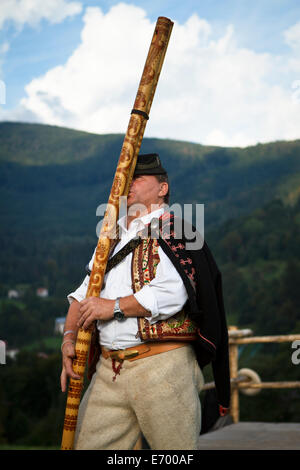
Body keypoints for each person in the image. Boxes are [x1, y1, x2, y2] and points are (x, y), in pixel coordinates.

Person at [60, 153, 230, 450]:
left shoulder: (179, 231)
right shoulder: (110, 237)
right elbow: (84, 293)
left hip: (163, 368)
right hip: (109, 369)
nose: (129, 185)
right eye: (126, 179)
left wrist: (111, 306)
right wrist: (69, 338)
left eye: (138, 178)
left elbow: (172, 292)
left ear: (162, 188)